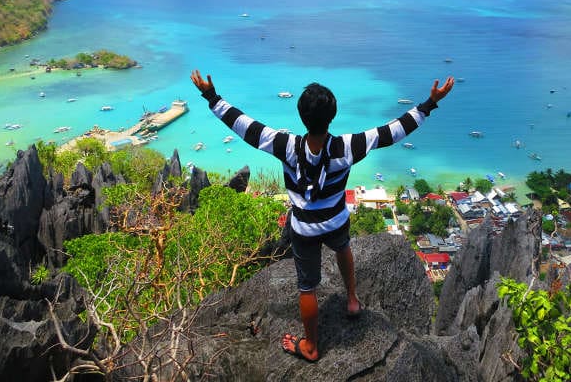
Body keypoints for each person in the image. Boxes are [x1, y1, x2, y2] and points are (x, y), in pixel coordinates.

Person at [190, 70, 454, 363]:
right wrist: (430, 103)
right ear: (333, 115)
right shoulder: (348, 146)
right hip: (337, 220)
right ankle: (352, 300)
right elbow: (392, 132)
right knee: (343, 249)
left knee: (307, 286)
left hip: (303, 230)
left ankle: (312, 347)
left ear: (301, 115)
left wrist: (211, 97)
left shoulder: (286, 146)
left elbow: (244, 126)